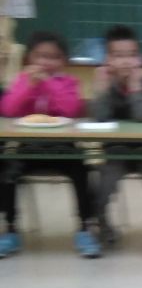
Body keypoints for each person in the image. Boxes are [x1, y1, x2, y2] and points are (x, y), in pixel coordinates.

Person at [0, 30, 99, 258]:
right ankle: (11, 229)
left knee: (82, 171)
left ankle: (85, 228)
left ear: (63, 61)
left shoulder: (69, 82)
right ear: (29, 58)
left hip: (64, 148)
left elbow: (70, 110)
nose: (46, 62)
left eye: (54, 57)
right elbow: (9, 110)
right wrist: (29, 86)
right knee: (7, 171)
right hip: (28, 148)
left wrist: (49, 84)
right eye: (40, 56)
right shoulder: (22, 80)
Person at [92, 24, 142, 246]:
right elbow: (100, 117)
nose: (126, 61)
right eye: (118, 56)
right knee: (105, 181)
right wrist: (102, 90)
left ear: (139, 58)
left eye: (131, 55)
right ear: (107, 59)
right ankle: (101, 223)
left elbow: (141, 117)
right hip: (115, 150)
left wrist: (136, 86)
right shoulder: (105, 83)